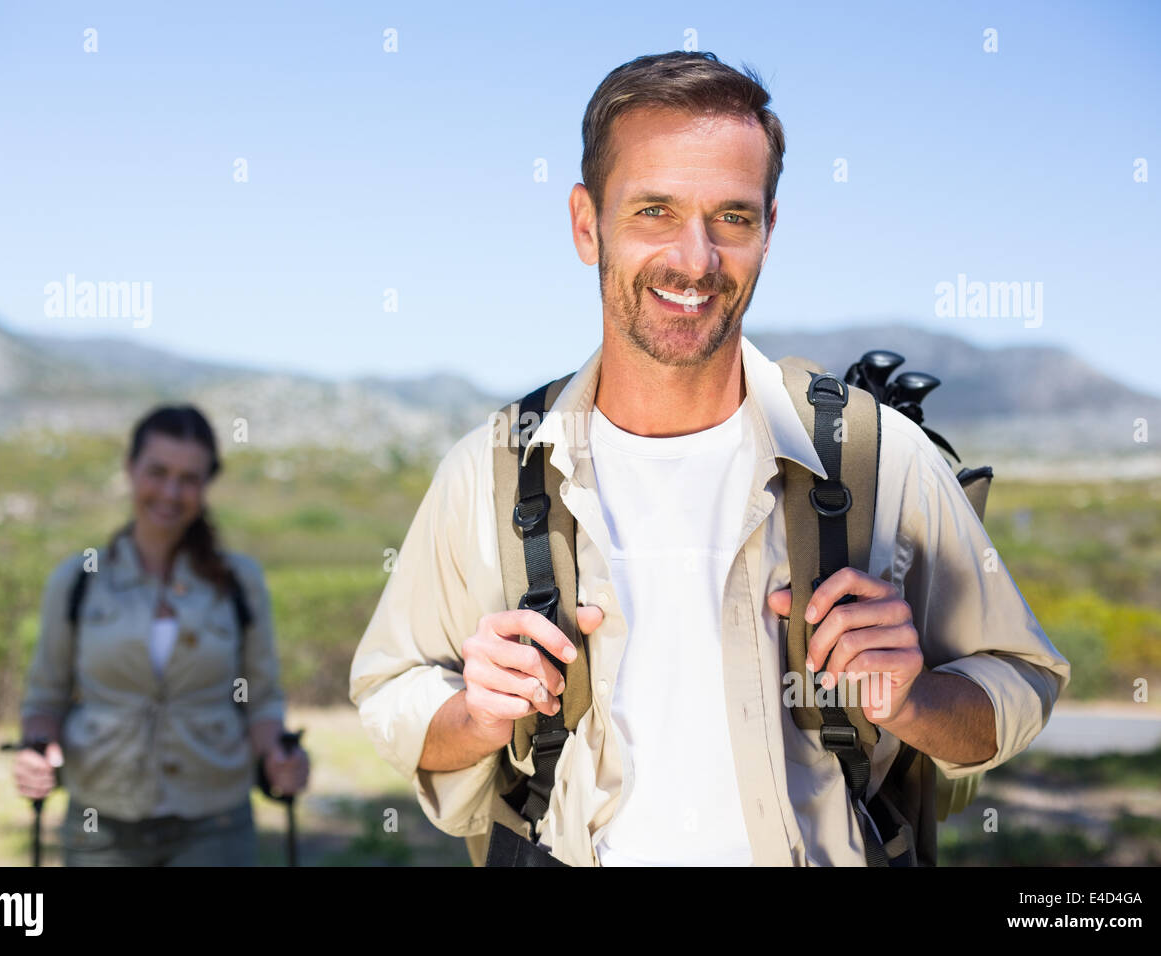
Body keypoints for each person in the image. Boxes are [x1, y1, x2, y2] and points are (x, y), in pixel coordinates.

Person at [349, 51, 1070, 866]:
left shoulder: (878, 459)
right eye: (655, 210)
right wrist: (474, 718)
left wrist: (915, 699)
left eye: (732, 217)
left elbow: (1019, 679)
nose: (696, 261)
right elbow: (390, 691)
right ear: (587, 225)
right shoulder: (488, 472)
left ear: (769, 229)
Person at [13, 404, 309, 866]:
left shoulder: (240, 581)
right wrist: (37, 748)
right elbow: (44, 700)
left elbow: (263, 700)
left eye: (189, 478)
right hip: (100, 823)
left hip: (217, 823)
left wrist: (278, 755)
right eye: (158, 472)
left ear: (206, 485)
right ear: (130, 469)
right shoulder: (77, 580)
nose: (171, 491)